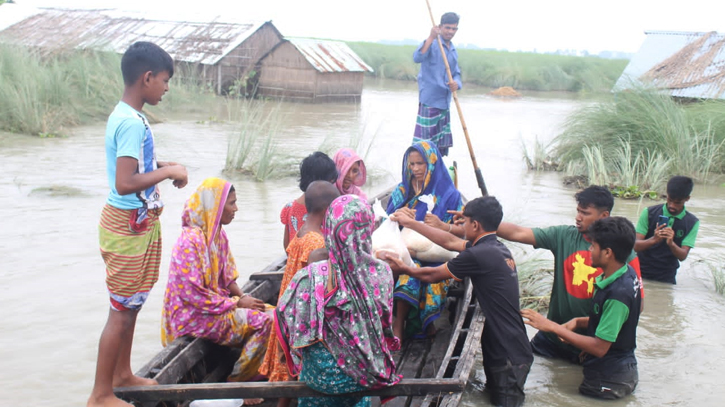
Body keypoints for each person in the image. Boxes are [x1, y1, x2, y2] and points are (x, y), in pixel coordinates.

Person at [88, 41, 188, 407]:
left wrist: (164, 166)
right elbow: (125, 182)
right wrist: (167, 172)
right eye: (164, 80)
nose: (166, 87)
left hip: (135, 224)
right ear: (147, 78)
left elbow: (135, 165)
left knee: (130, 305)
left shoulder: (126, 116)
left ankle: (122, 375)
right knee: (120, 310)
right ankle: (100, 395)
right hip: (127, 225)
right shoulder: (130, 122)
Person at [384, 196, 533, 407]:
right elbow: (450, 242)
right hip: (510, 348)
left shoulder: (479, 254)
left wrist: (404, 269)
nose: (461, 225)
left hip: (507, 356)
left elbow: (431, 276)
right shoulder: (495, 248)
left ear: (475, 225)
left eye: (465, 221)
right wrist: (411, 224)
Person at [276, 195, 402, 407]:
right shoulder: (383, 273)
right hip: (365, 375)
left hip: (320, 379)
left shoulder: (308, 277)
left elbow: (285, 317)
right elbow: (382, 326)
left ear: (329, 229)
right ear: (367, 229)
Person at [496, 185, 643, 364]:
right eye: (578, 211)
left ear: (603, 216)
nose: (578, 217)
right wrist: (482, 224)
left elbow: (637, 305)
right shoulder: (564, 236)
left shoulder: (624, 252)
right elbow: (518, 232)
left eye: (585, 213)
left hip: (591, 345)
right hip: (551, 337)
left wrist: (604, 334)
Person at [161, 178, 271, 404]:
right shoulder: (189, 241)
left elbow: (227, 276)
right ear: (216, 207)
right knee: (264, 323)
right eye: (231, 203)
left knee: (274, 313)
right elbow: (193, 295)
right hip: (192, 316)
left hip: (214, 307)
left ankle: (257, 372)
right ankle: (238, 384)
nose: (235, 209)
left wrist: (243, 297)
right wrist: (237, 304)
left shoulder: (217, 234)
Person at [522, 217, 642, 400]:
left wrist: (552, 326)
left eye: (593, 246)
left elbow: (600, 347)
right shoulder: (625, 272)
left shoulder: (618, 294)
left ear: (608, 252)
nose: (589, 250)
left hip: (610, 380)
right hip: (616, 367)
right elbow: (612, 321)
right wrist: (578, 321)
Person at [259, 181, 339, 407]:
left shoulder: (304, 231)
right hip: (300, 306)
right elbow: (315, 280)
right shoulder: (317, 242)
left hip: (287, 301)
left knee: (290, 361)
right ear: (327, 211)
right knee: (296, 360)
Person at [386, 141, 463, 340]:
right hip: (406, 251)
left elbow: (462, 232)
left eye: (420, 163)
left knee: (423, 274)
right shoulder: (402, 192)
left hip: (438, 254)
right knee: (407, 272)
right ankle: (399, 325)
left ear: (432, 163)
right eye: (411, 164)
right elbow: (384, 224)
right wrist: (396, 215)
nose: (415, 169)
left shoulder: (449, 195)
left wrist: (441, 225)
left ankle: (424, 324)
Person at [412, 12, 462, 157]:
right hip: (430, 102)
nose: (450, 32)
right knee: (423, 147)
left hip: (445, 104)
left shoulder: (452, 50)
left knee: (439, 147)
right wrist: (431, 37)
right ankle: (419, 174)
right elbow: (417, 57)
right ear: (440, 27)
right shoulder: (433, 44)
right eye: (447, 28)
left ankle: (436, 173)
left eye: (454, 29)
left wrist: (456, 84)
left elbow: (457, 74)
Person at [635, 176, 699, 284]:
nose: (672, 206)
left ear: (687, 198)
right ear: (667, 195)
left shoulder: (692, 222)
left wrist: (671, 243)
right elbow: (635, 246)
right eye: (670, 200)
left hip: (667, 277)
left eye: (678, 202)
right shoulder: (649, 213)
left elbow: (683, 256)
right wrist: (654, 239)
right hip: (640, 273)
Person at [280, 151, 338, 250]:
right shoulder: (325, 210)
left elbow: (287, 246)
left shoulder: (289, 208)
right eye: (330, 183)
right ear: (321, 184)